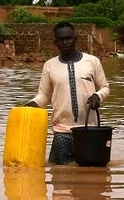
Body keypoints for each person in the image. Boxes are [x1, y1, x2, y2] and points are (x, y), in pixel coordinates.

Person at [26, 22, 110, 165]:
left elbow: (105, 87)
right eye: (61, 39)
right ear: (55, 42)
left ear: (75, 39)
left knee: (90, 176)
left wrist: (98, 96)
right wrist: (31, 104)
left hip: (89, 131)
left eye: (68, 38)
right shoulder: (49, 66)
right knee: (60, 176)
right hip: (61, 132)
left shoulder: (92, 61)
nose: (65, 42)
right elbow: (44, 95)